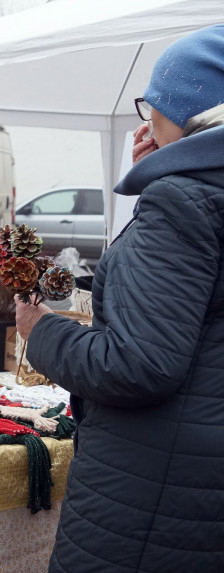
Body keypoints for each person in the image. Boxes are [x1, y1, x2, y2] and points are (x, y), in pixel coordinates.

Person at [15, 24, 224, 571]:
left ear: (188, 112)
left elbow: (139, 365)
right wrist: (158, 176)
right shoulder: (198, 194)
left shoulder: (181, 203)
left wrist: (42, 330)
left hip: (149, 496)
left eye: (153, 105)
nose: (145, 120)